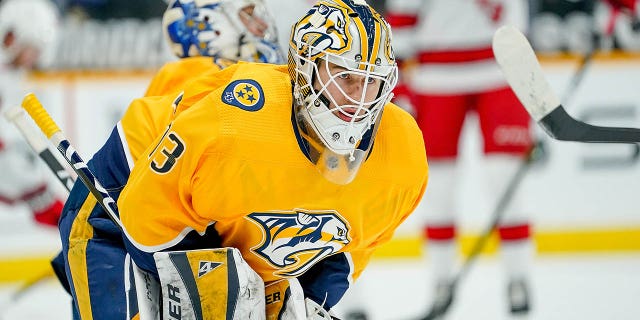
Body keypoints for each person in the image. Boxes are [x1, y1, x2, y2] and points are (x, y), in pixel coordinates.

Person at [57, 0, 427, 319]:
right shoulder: (236, 118)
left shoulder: (403, 153)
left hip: (211, 225)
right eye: (345, 77)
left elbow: (348, 247)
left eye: (371, 80)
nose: (358, 99)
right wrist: (212, 289)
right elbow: (144, 216)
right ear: (305, 70)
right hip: (124, 215)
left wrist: (306, 300)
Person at [385, 0, 534, 318]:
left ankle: (518, 277)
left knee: (503, 177)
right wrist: (401, 82)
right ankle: (440, 281)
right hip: (436, 75)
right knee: (437, 185)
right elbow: (402, 14)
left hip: (503, 67)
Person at [0, 0, 65, 228]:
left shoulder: (8, 75)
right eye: (32, 49)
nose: (33, 59)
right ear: (12, 37)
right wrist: (39, 194)